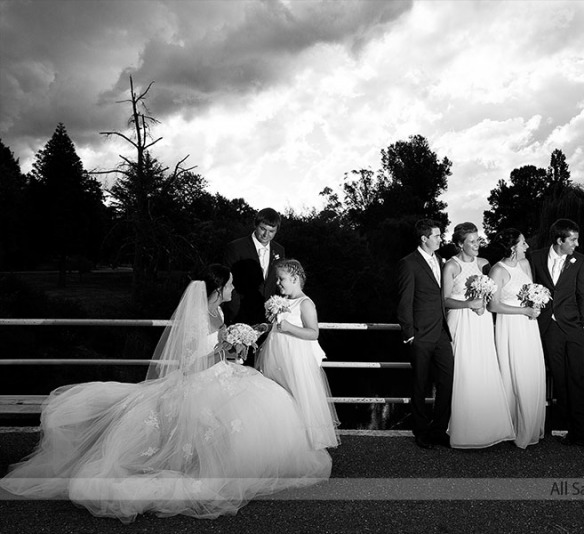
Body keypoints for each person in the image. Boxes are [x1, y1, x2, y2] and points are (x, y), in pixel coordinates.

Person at [0, 265, 331, 523]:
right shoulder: (197, 318)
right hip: (201, 382)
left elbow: (219, 349)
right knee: (235, 420)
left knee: (271, 404)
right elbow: (189, 367)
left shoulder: (217, 312)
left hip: (224, 373)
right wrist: (225, 350)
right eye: (229, 284)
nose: (233, 288)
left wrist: (231, 349)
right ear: (218, 289)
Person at [528, 218, 584, 452]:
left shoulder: (580, 260)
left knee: (577, 379)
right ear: (559, 240)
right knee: (560, 380)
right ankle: (573, 431)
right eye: (572, 239)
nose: (577, 243)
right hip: (549, 328)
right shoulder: (535, 257)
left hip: (574, 328)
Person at [443, 222, 515, 449]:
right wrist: (467, 303)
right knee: (463, 371)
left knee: (484, 369)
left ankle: (488, 428)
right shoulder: (451, 267)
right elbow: (444, 300)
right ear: (460, 244)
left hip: (482, 321)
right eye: (472, 241)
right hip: (461, 321)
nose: (477, 245)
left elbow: (493, 292)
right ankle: (463, 430)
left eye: (478, 240)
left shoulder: (484, 264)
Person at [256, 259, 340, 450]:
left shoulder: (305, 303)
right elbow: (279, 325)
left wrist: (289, 327)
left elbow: (313, 333)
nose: (277, 283)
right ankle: (282, 439)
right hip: (276, 356)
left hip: (294, 358)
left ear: (294, 278)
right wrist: (268, 326)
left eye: (281, 279)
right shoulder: (282, 301)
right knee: (277, 397)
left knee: (298, 397)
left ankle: (305, 444)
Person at [396, 219, 454, 449]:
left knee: (448, 381)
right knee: (419, 385)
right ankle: (421, 432)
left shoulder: (441, 261)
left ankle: (439, 430)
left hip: (441, 332)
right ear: (424, 238)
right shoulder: (408, 264)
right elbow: (404, 301)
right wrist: (409, 333)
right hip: (419, 334)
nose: (441, 239)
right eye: (437, 236)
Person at [488, 228, 546, 448]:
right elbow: (493, 305)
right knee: (514, 372)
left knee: (531, 370)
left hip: (529, 326)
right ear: (513, 247)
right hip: (510, 326)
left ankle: (529, 425)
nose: (527, 247)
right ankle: (511, 426)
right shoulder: (498, 270)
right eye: (523, 243)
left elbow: (532, 291)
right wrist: (523, 311)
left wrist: (536, 303)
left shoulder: (525, 265)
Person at [223, 209, 285, 364]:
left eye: (272, 231)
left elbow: (277, 284)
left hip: (266, 321)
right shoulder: (235, 247)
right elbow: (226, 282)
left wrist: (275, 313)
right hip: (239, 317)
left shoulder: (279, 250)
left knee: (262, 367)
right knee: (237, 366)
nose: (266, 235)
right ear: (255, 225)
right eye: (263, 229)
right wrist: (234, 314)